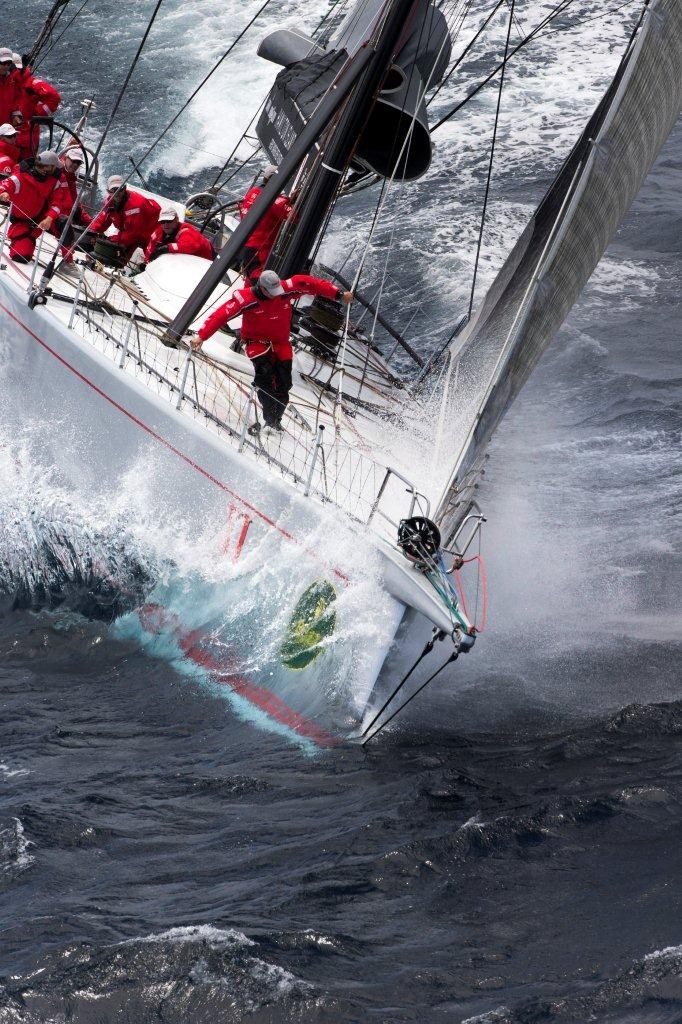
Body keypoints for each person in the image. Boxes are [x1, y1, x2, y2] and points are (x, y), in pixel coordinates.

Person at [192, 269, 353, 431]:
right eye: (272, 292)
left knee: (284, 383)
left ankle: (276, 420)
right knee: (265, 375)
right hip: (257, 344)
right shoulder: (246, 299)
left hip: (281, 344)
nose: (277, 294)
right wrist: (201, 336)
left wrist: (337, 294)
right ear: (261, 288)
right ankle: (269, 420)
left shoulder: (285, 289)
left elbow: (311, 283)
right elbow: (221, 315)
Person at [238, 164, 297, 279]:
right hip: (261, 251)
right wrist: (295, 202)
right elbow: (295, 218)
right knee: (261, 283)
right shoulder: (277, 201)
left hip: (243, 245)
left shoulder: (252, 192)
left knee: (250, 279)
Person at [0, 150, 60, 262]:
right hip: (21, 223)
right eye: (54, 167)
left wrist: (49, 218)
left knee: (63, 222)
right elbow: (6, 184)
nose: (56, 170)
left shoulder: (54, 183)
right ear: (49, 167)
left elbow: (57, 202)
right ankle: (20, 241)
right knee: (21, 257)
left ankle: (67, 260)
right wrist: (4, 192)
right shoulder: (20, 177)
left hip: (40, 223)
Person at [89, 175, 161, 263]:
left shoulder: (136, 205)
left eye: (120, 189)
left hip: (150, 233)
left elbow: (134, 233)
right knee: (119, 258)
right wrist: (92, 233)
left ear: (125, 188)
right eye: (114, 190)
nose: (117, 193)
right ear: (108, 191)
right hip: (130, 232)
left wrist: (113, 239)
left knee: (151, 260)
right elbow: (103, 220)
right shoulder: (109, 202)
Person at [47, 147, 92, 261]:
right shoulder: (54, 172)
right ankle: (67, 261)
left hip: (64, 222)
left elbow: (76, 205)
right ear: (66, 158)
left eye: (78, 163)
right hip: (50, 218)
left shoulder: (71, 180)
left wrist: (92, 224)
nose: (75, 165)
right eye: (73, 161)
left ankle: (68, 258)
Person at [142, 206, 214, 265]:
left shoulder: (186, 231)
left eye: (169, 221)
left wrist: (167, 248)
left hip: (208, 263)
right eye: (163, 222)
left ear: (177, 219)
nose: (165, 225)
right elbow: (150, 248)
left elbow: (190, 246)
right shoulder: (158, 232)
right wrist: (145, 263)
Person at [0, 48, 20, 125]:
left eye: (9, 63)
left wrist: (15, 114)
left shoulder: (12, 80)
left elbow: (15, 100)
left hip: (7, 129)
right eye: (3, 63)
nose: (6, 66)